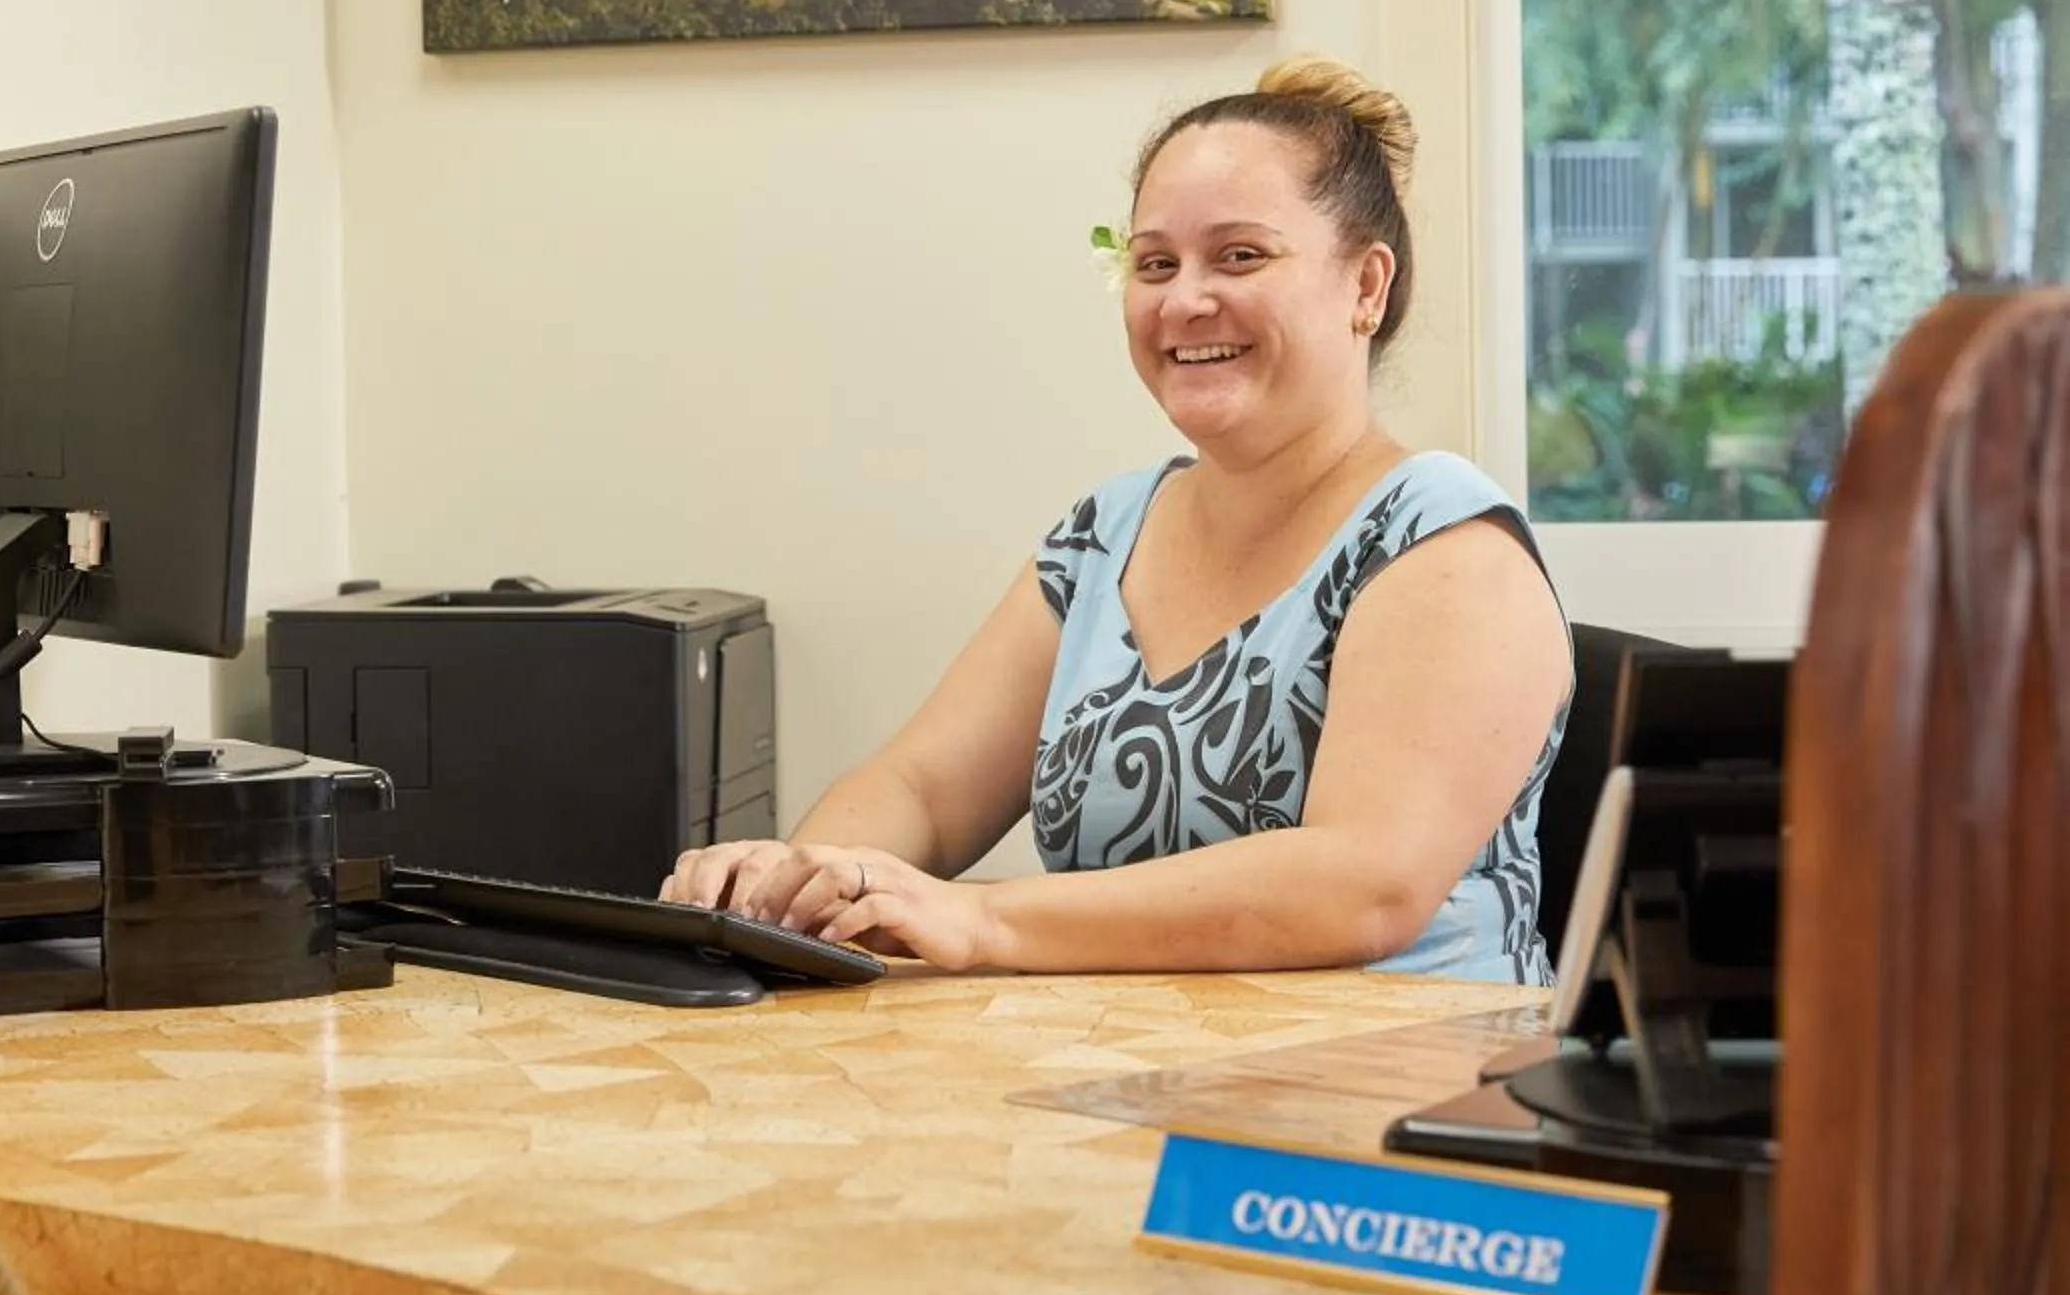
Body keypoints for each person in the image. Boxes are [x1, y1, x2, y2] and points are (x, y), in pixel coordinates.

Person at [662, 57, 1570, 985]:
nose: (1184, 300)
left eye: (1241, 255)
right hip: (1122, 1079)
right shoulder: (1106, 533)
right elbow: (924, 791)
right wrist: (805, 887)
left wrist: (981, 920)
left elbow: (1361, 885)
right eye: (1155, 264)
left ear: (1366, 288)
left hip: (1396, 1097)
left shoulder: (1446, 546)